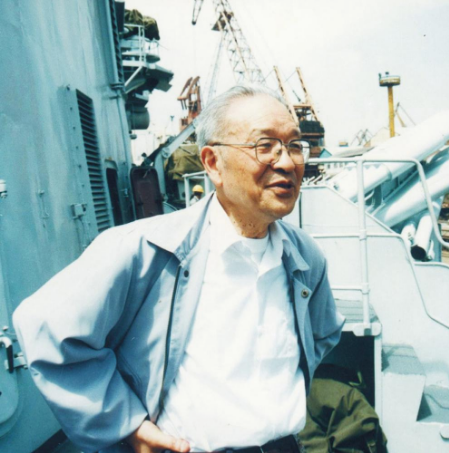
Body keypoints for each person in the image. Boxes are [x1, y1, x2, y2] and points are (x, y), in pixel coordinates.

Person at [13, 85, 345, 453]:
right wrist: (125, 425)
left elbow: (322, 334)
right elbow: (44, 326)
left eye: (294, 146)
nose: (286, 163)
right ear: (213, 163)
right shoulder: (146, 248)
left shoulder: (304, 255)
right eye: (264, 146)